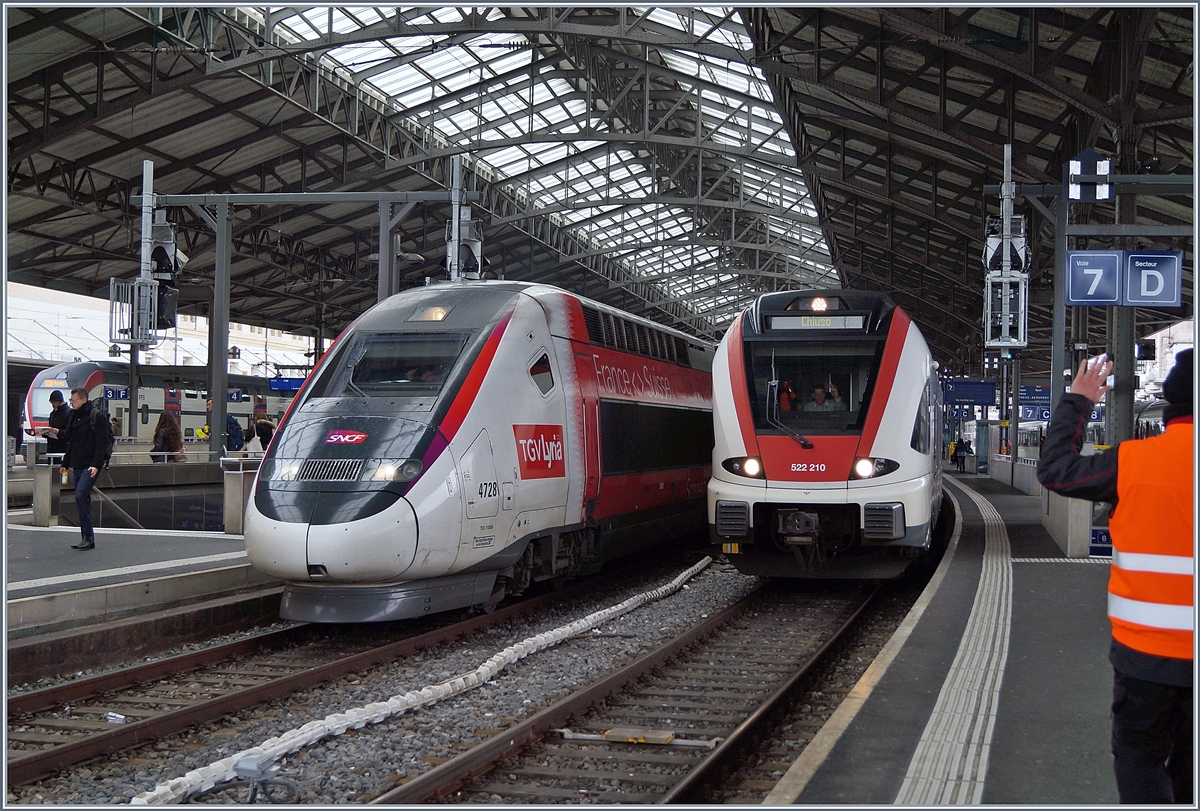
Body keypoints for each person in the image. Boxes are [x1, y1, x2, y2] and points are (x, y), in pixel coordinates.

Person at [1037, 350, 1193, 804]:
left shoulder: (1135, 461)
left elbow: (1055, 471)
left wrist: (1078, 401)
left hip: (1146, 656)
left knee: (1139, 759)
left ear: (1169, 405)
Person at [59, 388, 113, 550]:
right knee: (83, 499)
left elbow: (101, 443)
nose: (71, 403)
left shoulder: (96, 417)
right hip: (77, 463)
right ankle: (87, 537)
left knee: (80, 496)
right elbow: (72, 442)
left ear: (83, 400)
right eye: (70, 401)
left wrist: (97, 465)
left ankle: (88, 536)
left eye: (73, 400)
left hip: (90, 465)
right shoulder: (74, 416)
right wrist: (65, 463)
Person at [41, 389, 71, 458]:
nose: (52, 405)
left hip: (63, 449)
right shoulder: (52, 414)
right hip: (51, 449)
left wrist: (59, 432)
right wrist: (45, 433)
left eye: (54, 402)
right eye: (51, 403)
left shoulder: (69, 412)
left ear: (59, 401)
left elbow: (70, 433)